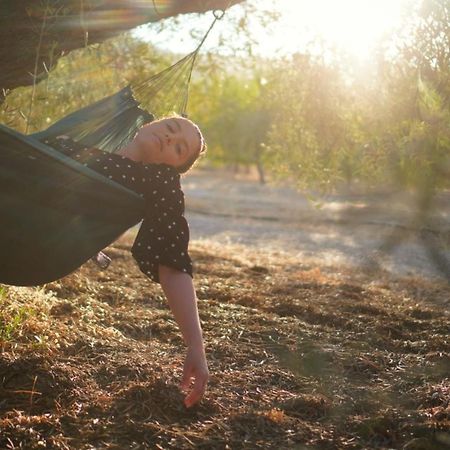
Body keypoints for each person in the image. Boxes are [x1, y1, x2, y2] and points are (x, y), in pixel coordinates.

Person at [50, 116, 208, 408]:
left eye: (179, 149)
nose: (171, 139)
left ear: (174, 168)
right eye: (170, 129)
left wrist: (195, 346)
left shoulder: (159, 183)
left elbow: (172, 264)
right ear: (147, 125)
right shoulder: (84, 147)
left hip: (43, 239)